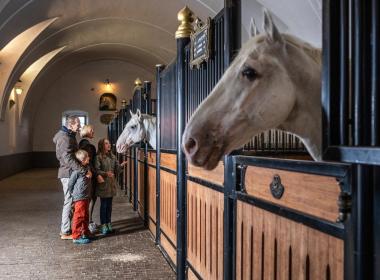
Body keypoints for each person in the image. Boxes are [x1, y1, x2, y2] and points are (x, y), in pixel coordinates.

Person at [53, 116, 92, 240]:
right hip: (68, 173)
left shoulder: (68, 135)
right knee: (69, 202)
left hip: (70, 172)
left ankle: (70, 229)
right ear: (71, 124)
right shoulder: (65, 138)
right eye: (78, 124)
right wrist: (83, 170)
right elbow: (68, 159)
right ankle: (65, 231)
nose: (79, 126)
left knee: (70, 202)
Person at [95, 138, 126, 235]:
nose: (109, 145)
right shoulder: (98, 157)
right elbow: (96, 170)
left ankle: (108, 224)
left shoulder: (113, 157)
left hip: (111, 184)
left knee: (109, 206)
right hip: (103, 184)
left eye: (109, 143)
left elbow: (117, 169)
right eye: (106, 143)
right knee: (104, 205)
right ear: (101, 145)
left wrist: (121, 166)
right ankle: (103, 225)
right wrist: (105, 174)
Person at [68, 149, 92, 244]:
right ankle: (76, 236)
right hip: (80, 197)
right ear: (82, 160)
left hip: (86, 196)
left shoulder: (87, 168)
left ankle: (85, 232)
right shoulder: (77, 171)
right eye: (87, 157)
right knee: (79, 216)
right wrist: (73, 193)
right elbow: (70, 184)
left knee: (85, 215)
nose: (89, 158)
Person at [78, 125, 99, 233]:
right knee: (90, 198)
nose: (93, 132)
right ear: (86, 132)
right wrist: (97, 174)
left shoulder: (80, 144)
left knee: (85, 200)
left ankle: (83, 224)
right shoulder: (89, 147)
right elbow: (90, 163)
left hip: (84, 175)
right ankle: (88, 223)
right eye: (91, 130)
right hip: (90, 175)